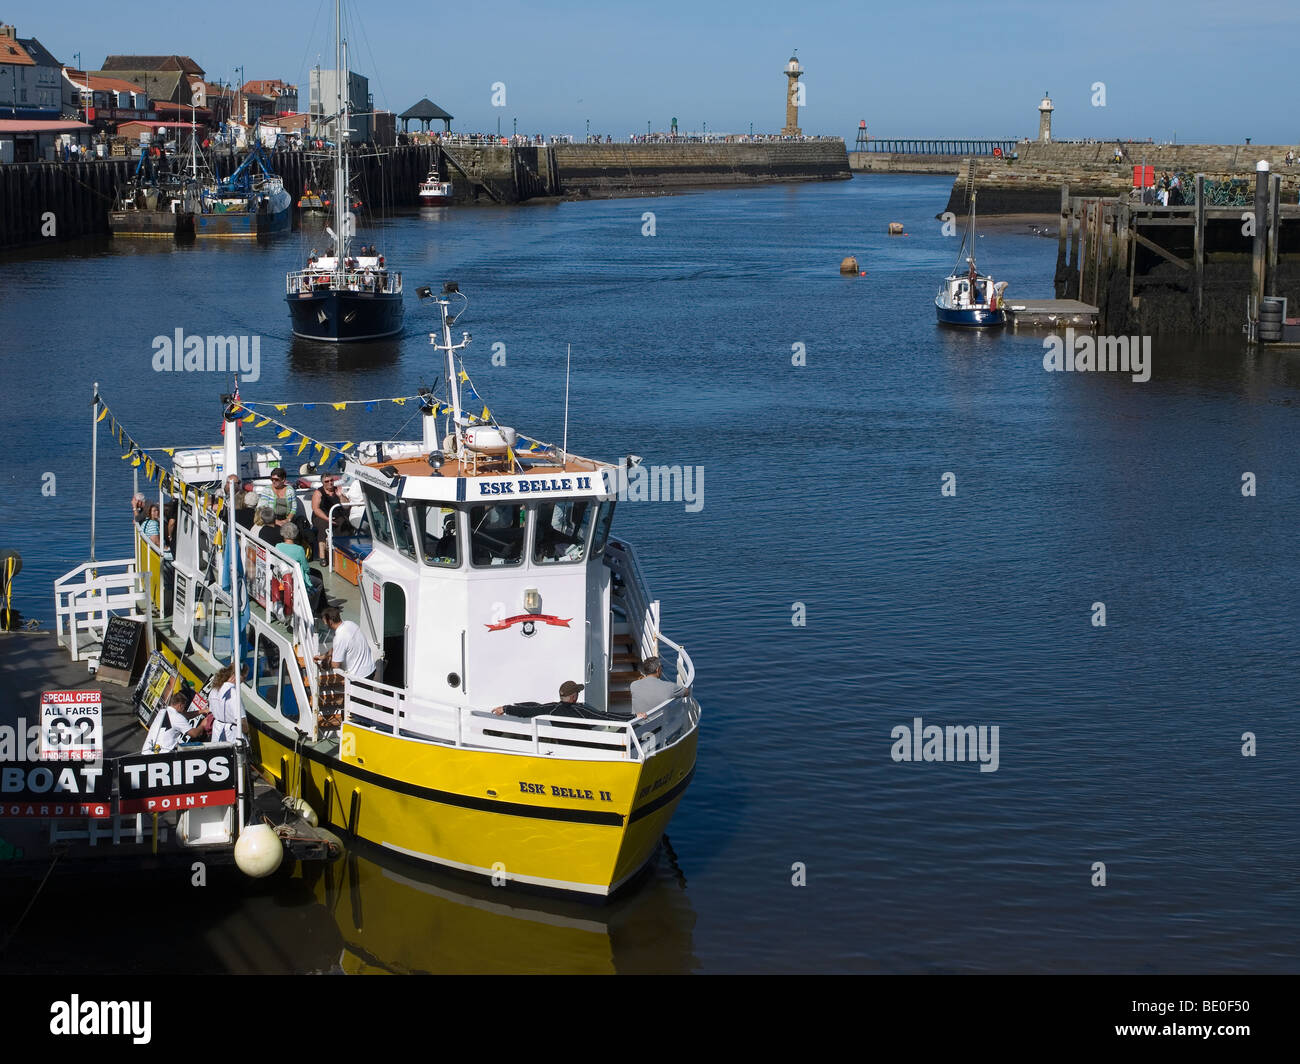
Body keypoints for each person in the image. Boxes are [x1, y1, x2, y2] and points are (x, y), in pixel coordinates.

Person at [492, 680, 647, 721]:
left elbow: (531, 709)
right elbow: (605, 716)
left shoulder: (551, 708)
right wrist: (633, 716)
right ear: (574, 697)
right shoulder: (581, 710)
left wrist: (506, 708)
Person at [315, 606, 376, 680]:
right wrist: (324, 656)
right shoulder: (350, 624)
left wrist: (323, 664)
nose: (324, 623)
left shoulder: (340, 637)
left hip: (359, 677)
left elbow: (335, 665)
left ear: (330, 622)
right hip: (371, 669)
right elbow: (337, 648)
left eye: (324, 621)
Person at [141, 691, 207, 753]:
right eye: (184, 707)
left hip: (147, 750)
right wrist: (203, 725)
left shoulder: (163, 711)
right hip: (162, 753)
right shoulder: (178, 717)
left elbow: (185, 715)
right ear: (180, 705)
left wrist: (201, 711)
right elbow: (194, 734)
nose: (184, 709)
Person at [311, 475, 351, 561]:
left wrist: (340, 496)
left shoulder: (337, 490)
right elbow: (315, 509)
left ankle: (341, 552)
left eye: (331, 480)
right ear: (323, 483)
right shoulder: (318, 492)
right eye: (327, 481)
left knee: (344, 525)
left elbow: (347, 506)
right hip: (321, 516)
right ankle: (322, 556)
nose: (330, 483)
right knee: (323, 526)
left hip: (336, 515)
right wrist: (327, 519)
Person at [209, 662, 249, 743]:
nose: (244, 681)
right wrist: (247, 732)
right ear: (236, 675)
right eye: (244, 677)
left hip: (217, 734)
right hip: (232, 737)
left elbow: (211, 711)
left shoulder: (214, 690)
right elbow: (243, 723)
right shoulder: (234, 694)